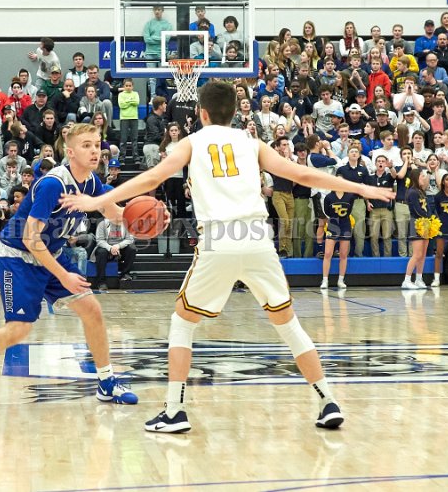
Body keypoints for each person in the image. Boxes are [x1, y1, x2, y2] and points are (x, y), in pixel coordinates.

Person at [60, 81, 395, 433]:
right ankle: (328, 401)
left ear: (201, 113)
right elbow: (301, 173)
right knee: (288, 324)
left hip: (219, 238)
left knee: (182, 322)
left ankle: (174, 411)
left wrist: (98, 201)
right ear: (235, 112)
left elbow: (154, 177)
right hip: (258, 238)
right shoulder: (252, 142)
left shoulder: (192, 142)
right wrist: (359, 187)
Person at [0, 123, 139, 408]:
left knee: (92, 310)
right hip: (17, 257)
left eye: (97, 145)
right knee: (18, 330)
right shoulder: (52, 185)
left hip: (51, 253)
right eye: (86, 145)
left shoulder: (92, 182)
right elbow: (30, 238)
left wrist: (145, 218)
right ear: (70, 152)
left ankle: (106, 382)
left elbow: (112, 211)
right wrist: (64, 276)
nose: (95, 151)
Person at [401, 169, 431, 289]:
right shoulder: (412, 192)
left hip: (426, 223)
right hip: (416, 223)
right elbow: (416, 210)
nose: (424, 178)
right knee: (417, 254)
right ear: (416, 177)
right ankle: (407, 280)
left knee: (423, 254)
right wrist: (426, 218)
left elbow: (427, 207)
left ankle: (419, 279)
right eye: (422, 176)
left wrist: (430, 219)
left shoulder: (421, 191)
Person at [320, 189, 355, 289]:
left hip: (345, 225)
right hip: (333, 225)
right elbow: (327, 211)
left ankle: (341, 280)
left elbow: (349, 210)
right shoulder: (329, 197)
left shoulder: (350, 197)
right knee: (328, 253)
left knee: (343, 255)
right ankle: (325, 280)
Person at [92, 215, 136, 291]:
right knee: (101, 252)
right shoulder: (102, 224)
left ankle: (124, 274)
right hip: (106, 247)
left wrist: (118, 246)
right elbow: (99, 241)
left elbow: (130, 239)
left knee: (132, 248)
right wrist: (110, 248)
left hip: (120, 247)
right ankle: (101, 282)